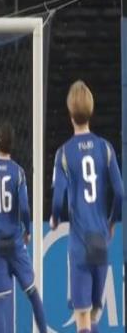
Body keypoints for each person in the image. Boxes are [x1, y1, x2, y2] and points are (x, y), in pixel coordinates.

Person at [50, 80, 123, 333]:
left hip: (79, 243)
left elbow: (58, 199)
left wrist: (54, 218)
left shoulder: (64, 154)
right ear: (91, 110)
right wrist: (111, 222)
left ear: (70, 114)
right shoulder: (106, 148)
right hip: (100, 240)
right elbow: (120, 193)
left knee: (81, 317)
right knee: (93, 316)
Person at [0, 122, 47, 333]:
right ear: (12, 144)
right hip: (15, 242)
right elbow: (24, 207)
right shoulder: (19, 173)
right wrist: (28, 230)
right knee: (32, 293)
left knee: (0, 302)